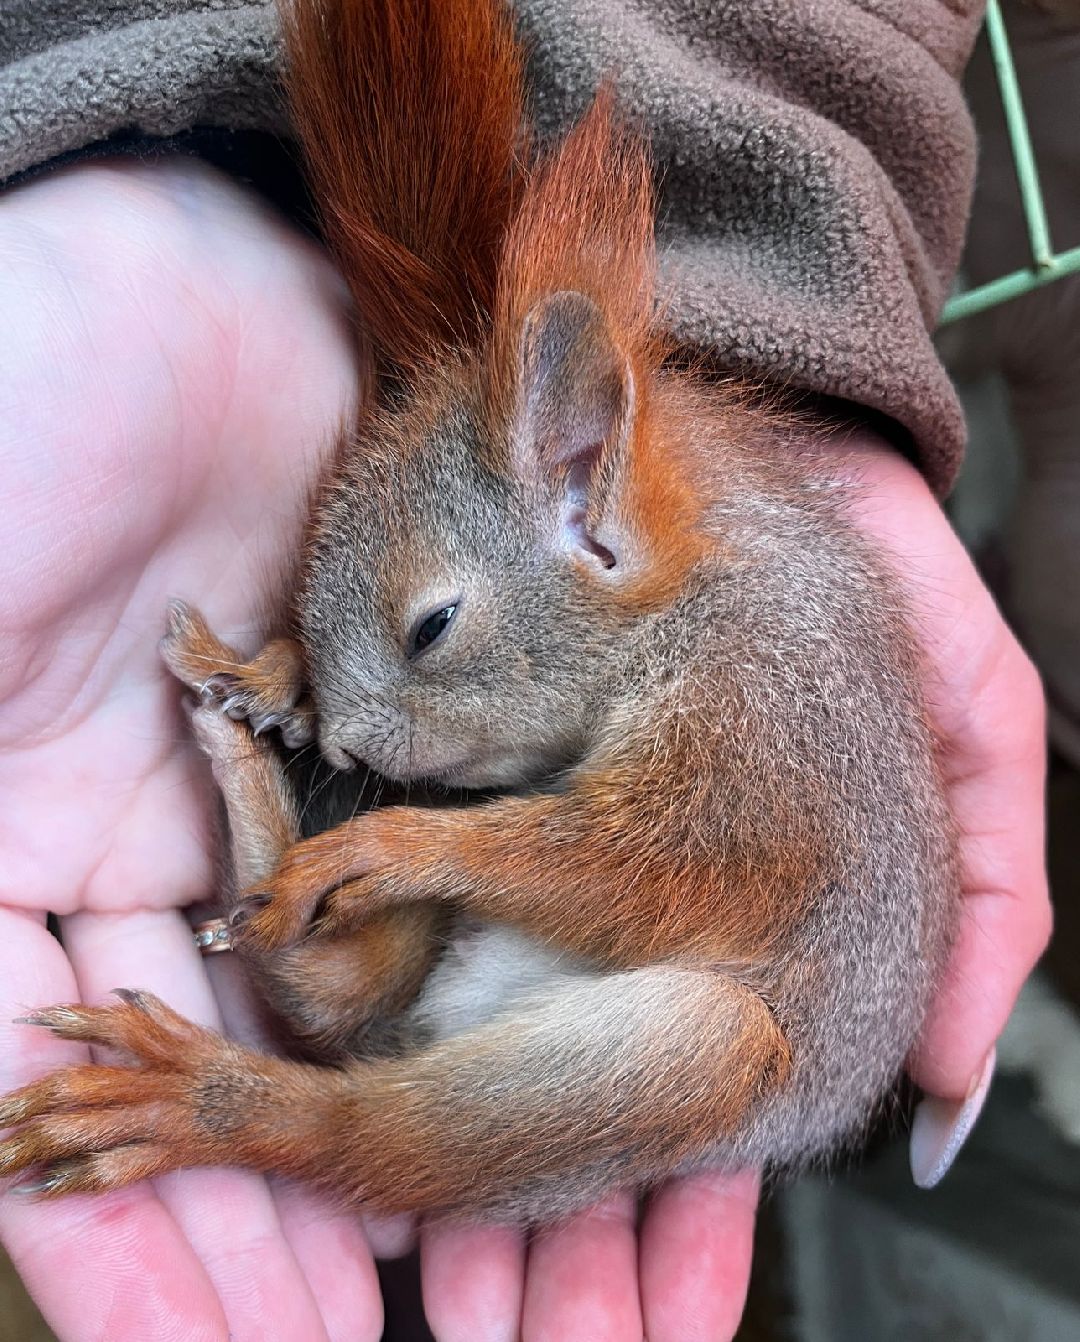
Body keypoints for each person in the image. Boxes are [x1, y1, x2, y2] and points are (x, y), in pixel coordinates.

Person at [0, 6, 1051, 1341]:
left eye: (432, 629)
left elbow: (656, 869)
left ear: (588, 503)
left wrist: (428, 853)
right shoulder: (601, 596)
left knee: (695, 1045)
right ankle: (268, 846)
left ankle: (265, 1111)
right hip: (544, 900)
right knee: (354, 961)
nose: (362, 729)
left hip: (730, 985)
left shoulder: (756, 662)